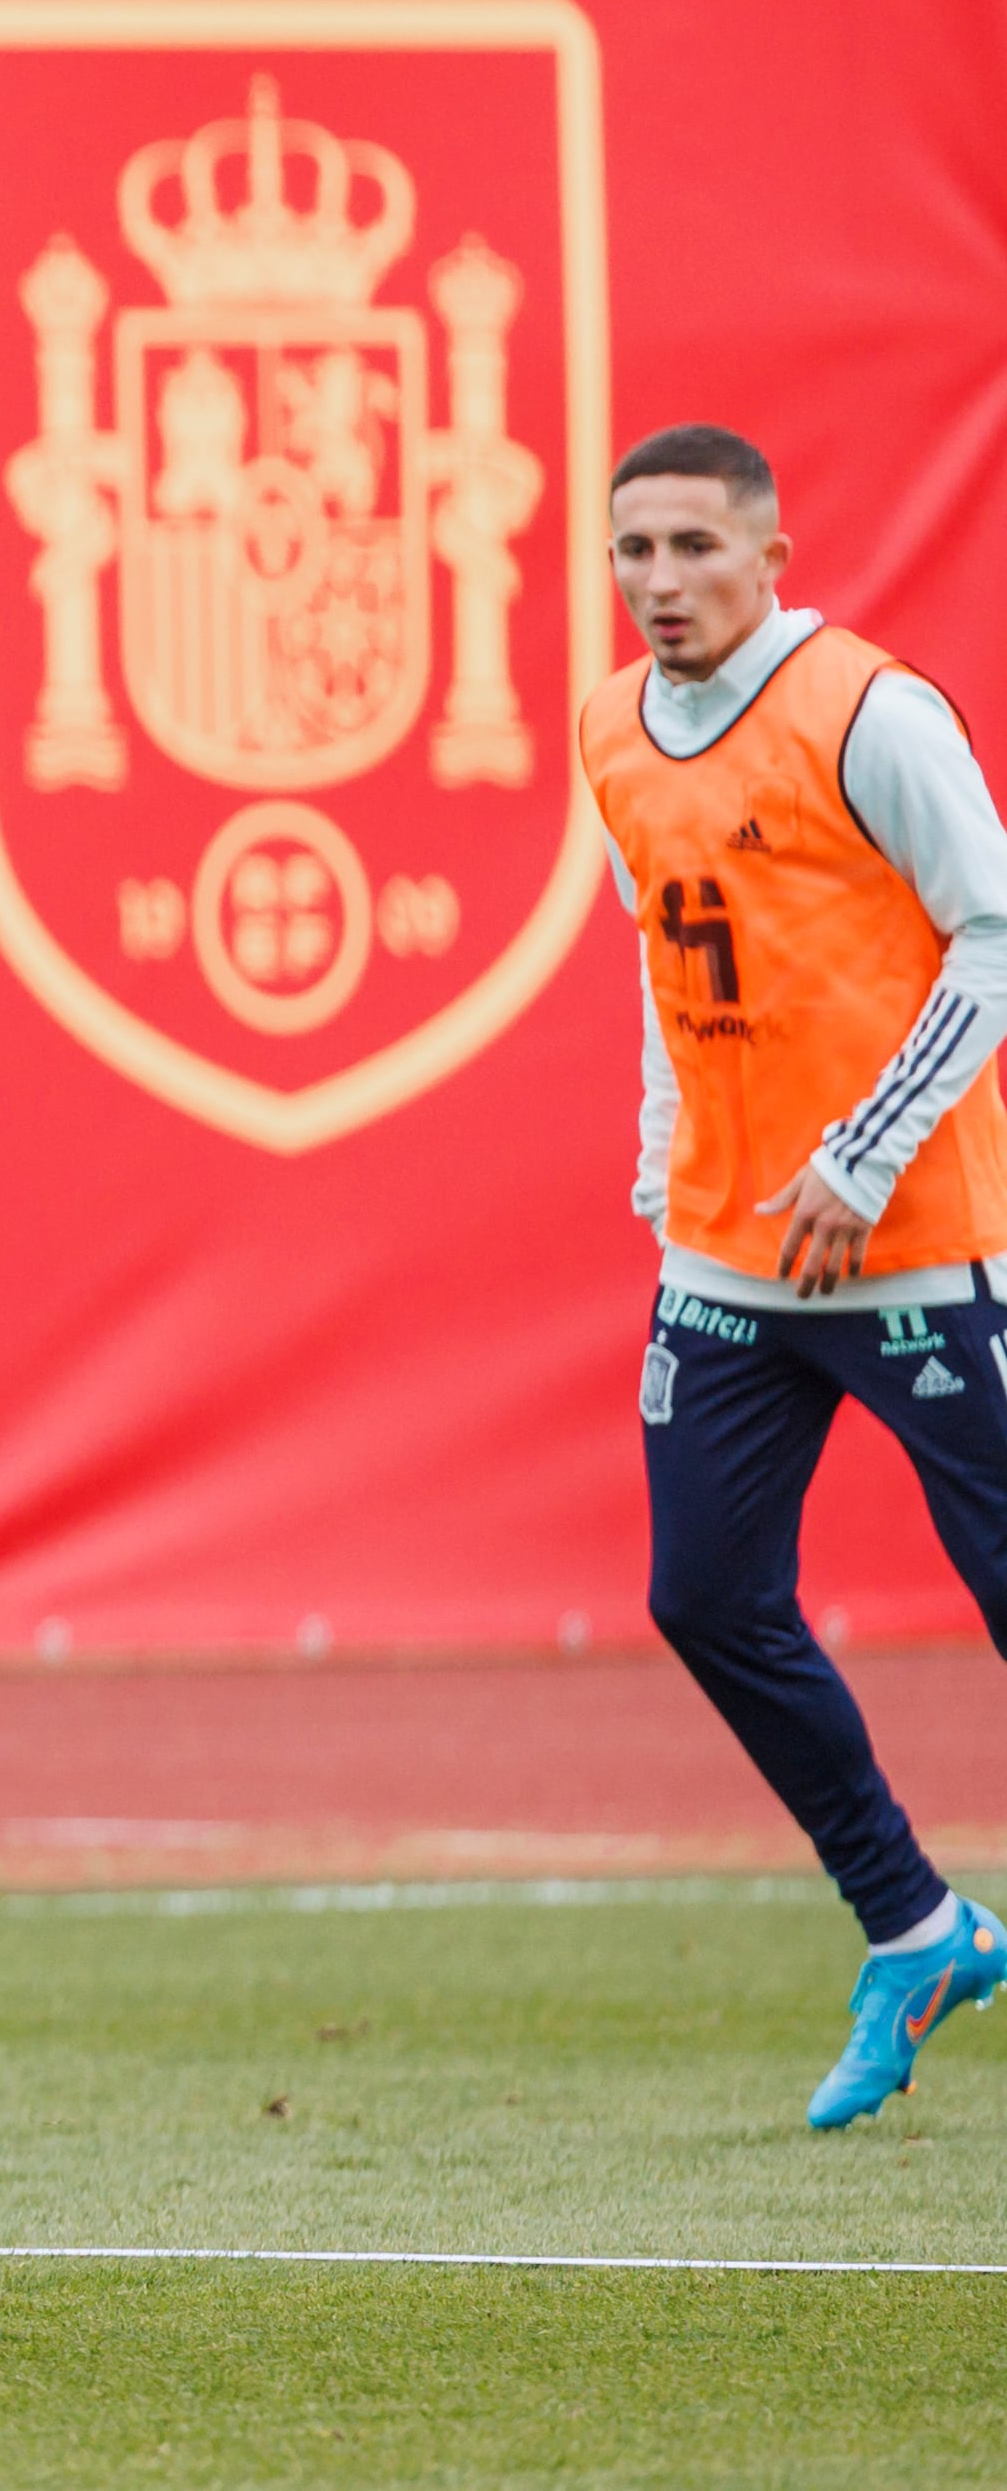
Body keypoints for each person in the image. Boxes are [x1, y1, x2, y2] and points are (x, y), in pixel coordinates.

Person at [582, 424, 1007, 2130]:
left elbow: (991, 934)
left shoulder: (870, 711)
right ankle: (914, 1924)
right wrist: (662, 1138)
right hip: (731, 1258)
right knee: (707, 1596)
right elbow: (666, 957)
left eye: (693, 548)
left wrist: (868, 1147)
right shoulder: (616, 724)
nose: (661, 583)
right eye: (635, 553)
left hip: (909, 1242)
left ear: (768, 551)